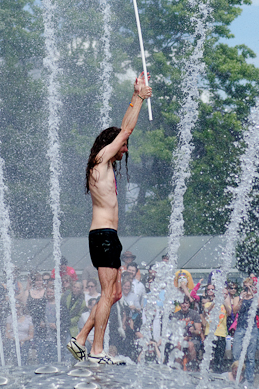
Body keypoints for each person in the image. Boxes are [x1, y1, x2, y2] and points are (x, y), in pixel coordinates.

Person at [67, 72, 152, 365]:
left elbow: (125, 133)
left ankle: (80, 339)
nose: (125, 149)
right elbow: (126, 131)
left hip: (109, 236)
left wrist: (134, 97)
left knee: (115, 294)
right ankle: (97, 351)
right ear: (109, 143)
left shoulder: (104, 164)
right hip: (102, 236)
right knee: (106, 294)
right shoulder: (101, 158)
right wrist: (138, 97)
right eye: (122, 146)